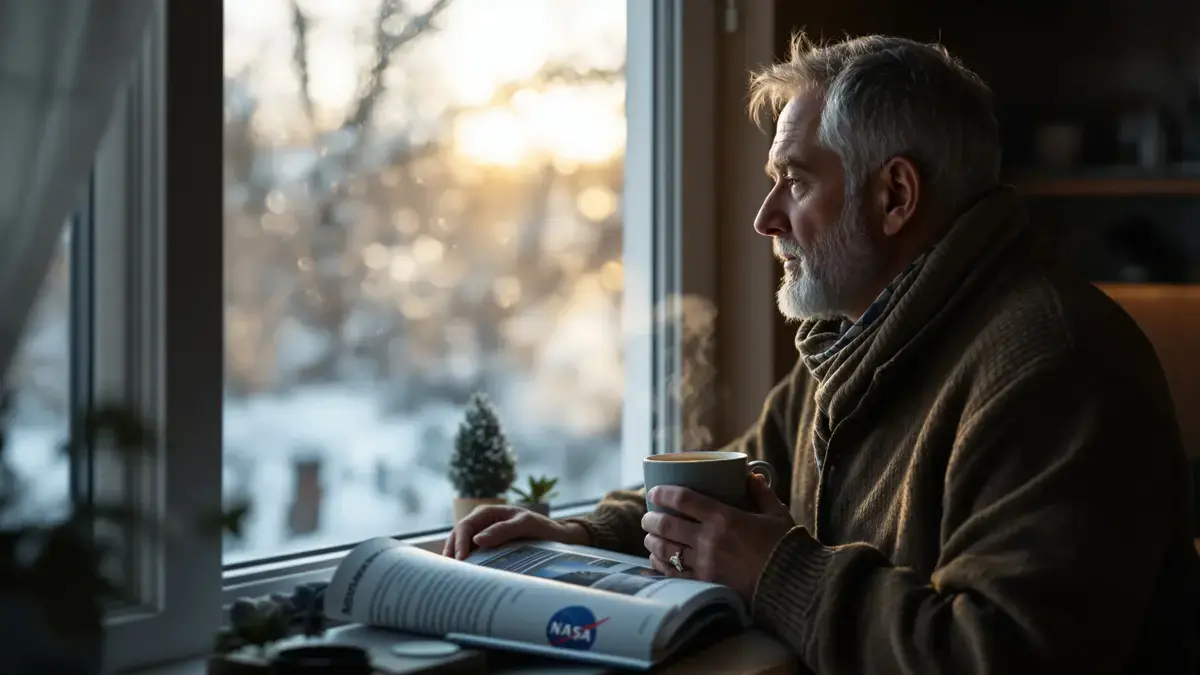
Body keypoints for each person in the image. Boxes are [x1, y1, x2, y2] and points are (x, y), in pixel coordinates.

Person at [444, 33, 1196, 674]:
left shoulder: (1056, 368)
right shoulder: (861, 338)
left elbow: (999, 654)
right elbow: (730, 493)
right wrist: (580, 534)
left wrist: (776, 571)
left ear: (895, 195)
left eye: (795, 181)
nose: (764, 218)